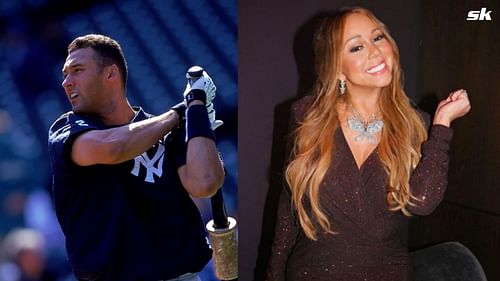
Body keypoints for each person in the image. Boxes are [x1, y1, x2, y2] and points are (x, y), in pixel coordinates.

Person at [265, 7, 471, 281]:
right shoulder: (306, 117)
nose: (374, 52)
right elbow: (288, 207)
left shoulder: (416, 124)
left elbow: (423, 201)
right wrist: (273, 275)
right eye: (357, 47)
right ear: (336, 68)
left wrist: (442, 124)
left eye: (378, 38)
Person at [48, 34, 225, 281]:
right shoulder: (68, 129)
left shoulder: (164, 130)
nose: (66, 82)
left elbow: (205, 183)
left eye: (77, 70)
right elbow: (114, 148)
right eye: (66, 74)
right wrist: (181, 111)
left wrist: (198, 118)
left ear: (110, 74)